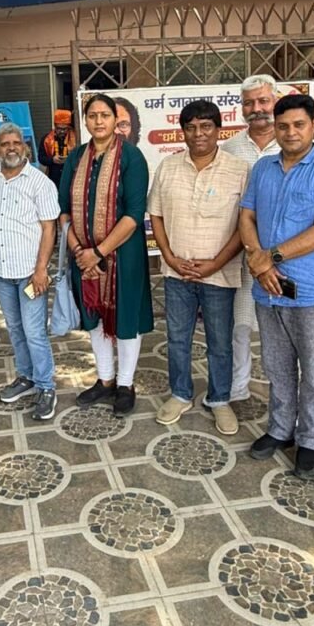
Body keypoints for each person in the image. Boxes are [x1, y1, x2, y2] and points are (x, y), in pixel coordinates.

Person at [239, 94, 314, 479]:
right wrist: (258, 261)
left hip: (311, 291)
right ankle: (280, 429)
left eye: (299, 125)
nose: (290, 132)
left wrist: (270, 257)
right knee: (276, 365)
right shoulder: (263, 168)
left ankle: (310, 441)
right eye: (283, 125)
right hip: (267, 288)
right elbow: (247, 216)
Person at [149, 100, 249, 436]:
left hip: (220, 274)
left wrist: (215, 264)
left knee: (220, 342)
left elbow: (245, 224)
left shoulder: (239, 169)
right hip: (176, 273)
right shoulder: (168, 167)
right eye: (190, 127)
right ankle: (180, 394)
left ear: (219, 129)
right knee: (178, 339)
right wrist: (169, 256)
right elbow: (156, 215)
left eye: (206, 126)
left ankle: (219, 399)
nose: (198, 134)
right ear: (183, 132)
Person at [59, 93, 153, 417]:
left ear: (115, 120)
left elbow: (134, 214)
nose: (98, 121)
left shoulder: (132, 158)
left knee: (125, 318)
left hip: (123, 257)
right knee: (94, 317)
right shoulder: (75, 158)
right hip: (82, 257)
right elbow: (64, 211)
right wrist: (79, 251)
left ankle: (125, 384)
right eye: (92, 115)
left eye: (105, 115)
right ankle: (105, 380)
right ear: (85, 120)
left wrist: (99, 252)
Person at [0, 123, 61, 420]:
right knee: (15, 328)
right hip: (0, 271)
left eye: (16, 143)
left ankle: (46, 386)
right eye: (5, 144)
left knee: (34, 331)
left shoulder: (40, 182)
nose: (11, 148)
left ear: (25, 147)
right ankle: (26, 376)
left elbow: (49, 229)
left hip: (30, 273)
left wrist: (41, 270)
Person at [223, 75, 281, 401]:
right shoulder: (230, 149)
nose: (256, 108)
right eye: (249, 103)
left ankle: (285, 393)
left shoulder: (296, 144)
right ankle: (238, 388)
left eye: (263, 101)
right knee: (240, 325)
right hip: (242, 256)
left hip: (287, 258)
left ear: (276, 101)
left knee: (284, 330)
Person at [39, 110, 77, 187]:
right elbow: (41, 158)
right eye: (59, 128)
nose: (62, 131)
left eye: (65, 129)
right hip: (53, 180)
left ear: (68, 127)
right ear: (55, 126)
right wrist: (52, 160)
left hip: (71, 179)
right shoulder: (47, 139)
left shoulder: (75, 139)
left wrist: (69, 159)